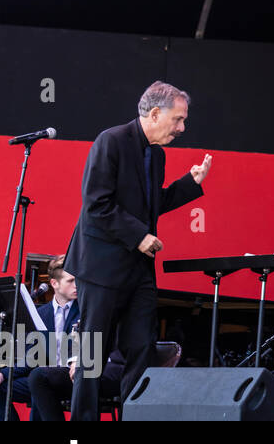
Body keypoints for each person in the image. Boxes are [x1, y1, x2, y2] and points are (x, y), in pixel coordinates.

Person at [64, 81, 211, 421]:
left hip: (138, 268)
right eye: (178, 119)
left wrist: (191, 184)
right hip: (101, 267)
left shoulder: (156, 154)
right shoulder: (111, 141)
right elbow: (96, 204)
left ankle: (133, 417)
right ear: (155, 113)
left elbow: (149, 205)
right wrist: (139, 237)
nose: (182, 128)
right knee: (92, 354)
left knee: (142, 347)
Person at [0, 256, 78, 420]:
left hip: (70, 377)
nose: (76, 285)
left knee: (39, 378)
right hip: (42, 377)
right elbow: (31, 356)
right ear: (54, 284)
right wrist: (3, 374)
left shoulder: (86, 310)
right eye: (70, 281)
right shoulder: (40, 314)